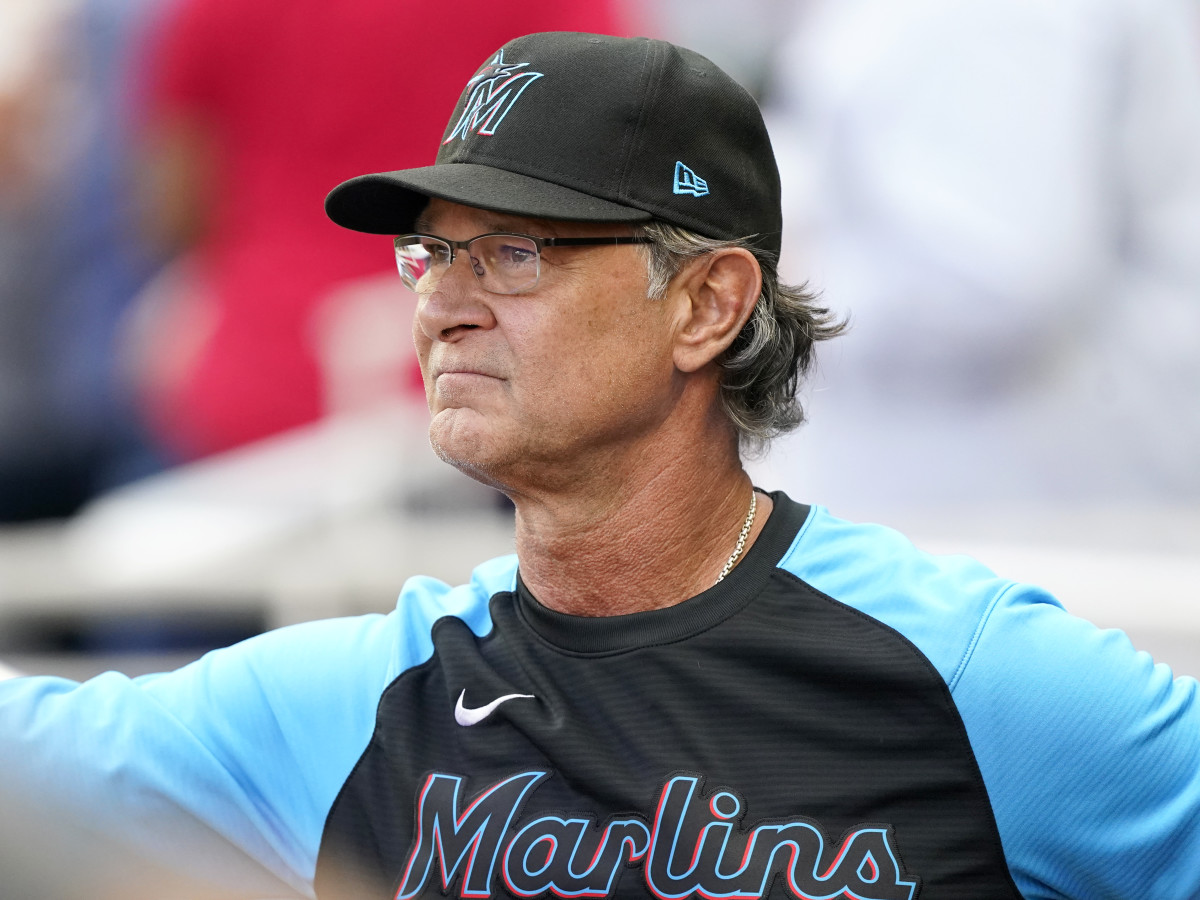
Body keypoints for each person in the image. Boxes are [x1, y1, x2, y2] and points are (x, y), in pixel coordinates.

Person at [1, 31, 1199, 900]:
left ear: (708, 303)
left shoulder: (971, 679)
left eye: (514, 253)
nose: (444, 307)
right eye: (432, 255)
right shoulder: (359, 700)